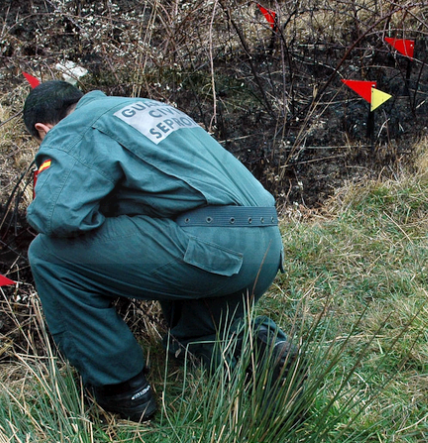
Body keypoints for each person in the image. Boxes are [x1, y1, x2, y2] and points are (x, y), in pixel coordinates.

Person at [23, 80, 293, 422]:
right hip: (264, 244)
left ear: (43, 129)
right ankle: (263, 352)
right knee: (195, 341)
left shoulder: (77, 125)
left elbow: (56, 215)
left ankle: (122, 391)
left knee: (49, 255)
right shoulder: (144, 107)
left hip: (214, 245)